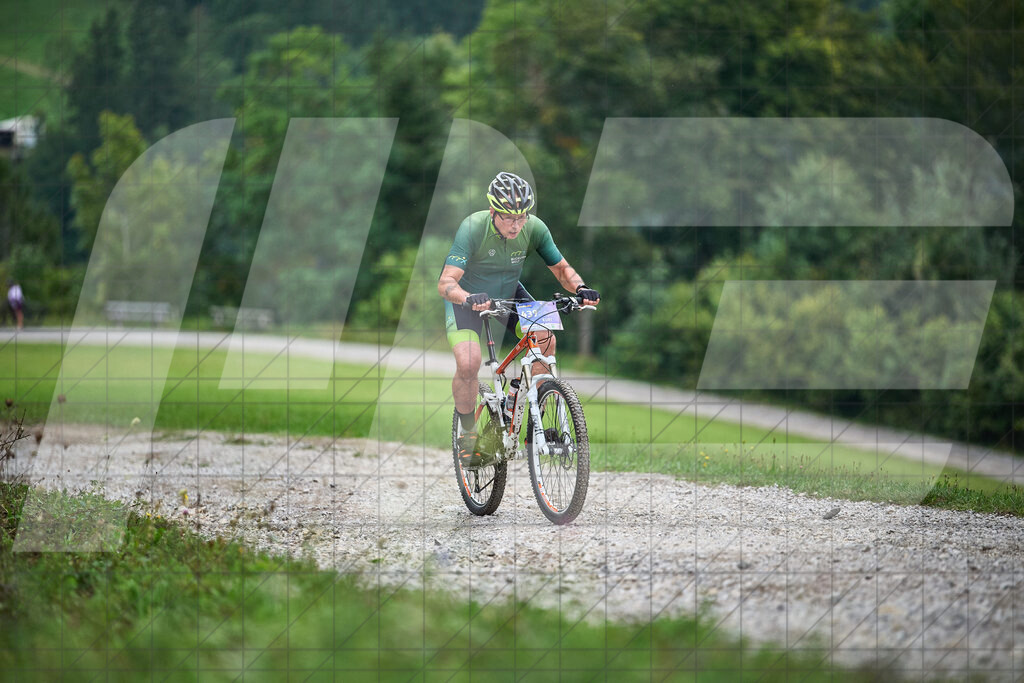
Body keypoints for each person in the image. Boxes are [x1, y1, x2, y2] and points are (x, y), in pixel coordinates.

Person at [437, 171, 600, 466]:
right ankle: (468, 435)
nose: (516, 225)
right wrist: (466, 297)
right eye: (509, 218)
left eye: (521, 217)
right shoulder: (472, 228)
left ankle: (531, 409)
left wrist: (581, 287)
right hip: (467, 300)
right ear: (493, 211)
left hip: (509, 293)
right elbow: (446, 282)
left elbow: (562, 269)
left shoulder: (534, 228)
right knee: (469, 362)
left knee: (546, 337)